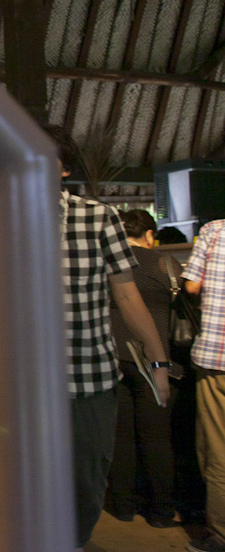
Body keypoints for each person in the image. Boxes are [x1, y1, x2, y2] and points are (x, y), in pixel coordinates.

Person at [47, 127, 171, 550]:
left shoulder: (97, 217)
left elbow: (128, 294)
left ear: (64, 169)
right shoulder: (0, 216)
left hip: (90, 380)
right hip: (27, 383)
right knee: (29, 483)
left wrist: (158, 364)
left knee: (86, 482)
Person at [105, 209, 180, 527]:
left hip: (115, 358)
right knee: (157, 438)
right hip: (156, 361)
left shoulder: (109, 265)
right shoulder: (166, 264)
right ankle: (161, 512)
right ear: (150, 235)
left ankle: (123, 505)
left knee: (121, 437)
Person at [181, 219, 225, 552]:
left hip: (217, 359)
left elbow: (192, 287)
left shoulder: (215, 231)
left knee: (217, 451)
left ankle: (220, 537)